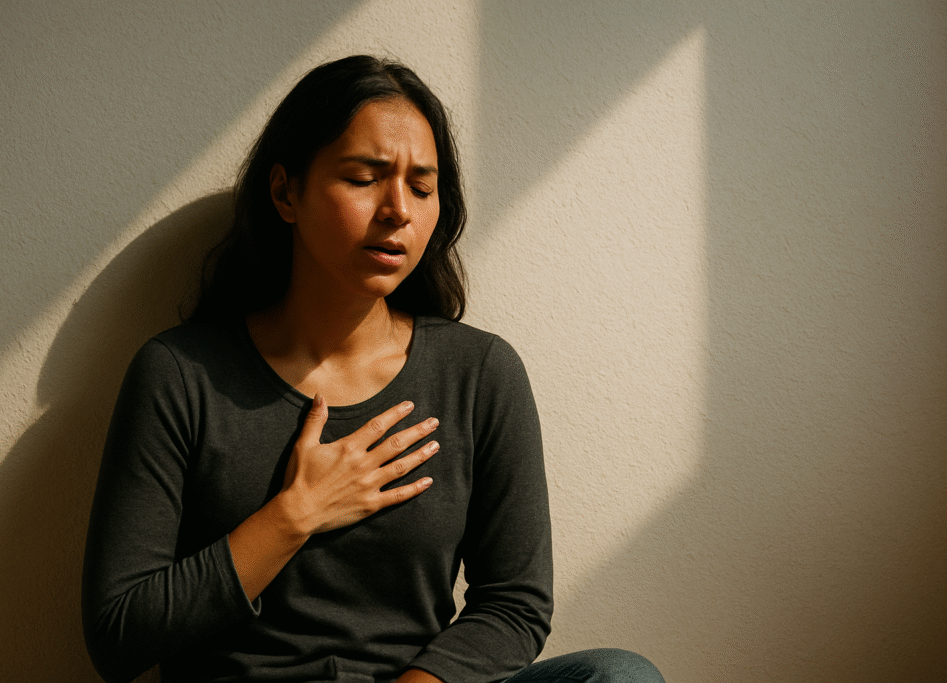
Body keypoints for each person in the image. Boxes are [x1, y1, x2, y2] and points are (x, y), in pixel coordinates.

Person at [82, 55, 664, 683]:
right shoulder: (181, 374)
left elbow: (514, 606)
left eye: (421, 186)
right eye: (364, 178)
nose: (398, 211)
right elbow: (118, 635)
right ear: (285, 192)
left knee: (619, 676)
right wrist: (295, 513)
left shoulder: (479, 373)